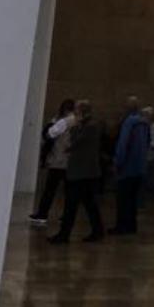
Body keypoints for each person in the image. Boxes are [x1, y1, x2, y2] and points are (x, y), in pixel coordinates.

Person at [48, 101, 105, 244]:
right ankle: (97, 230)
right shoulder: (86, 126)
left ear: (82, 112)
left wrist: (73, 127)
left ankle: (65, 234)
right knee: (88, 204)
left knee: (72, 204)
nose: (74, 115)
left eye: (77, 111)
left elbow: (74, 143)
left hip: (83, 172)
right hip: (81, 172)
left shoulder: (90, 126)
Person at [28, 98, 74, 226]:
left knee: (50, 189)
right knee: (69, 191)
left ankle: (42, 214)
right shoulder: (77, 121)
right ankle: (67, 216)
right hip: (71, 161)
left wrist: (53, 123)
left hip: (58, 160)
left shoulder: (63, 121)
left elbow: (50, 134)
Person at [110, 98, 150, 236]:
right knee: (133, 200)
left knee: (122, 199)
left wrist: (117, 162)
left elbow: (123, 144)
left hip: (127, 167)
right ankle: (132, 225)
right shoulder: (145, 123)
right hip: (140, 167)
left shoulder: (128, 122)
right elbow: (148, 143)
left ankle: (121, 226)